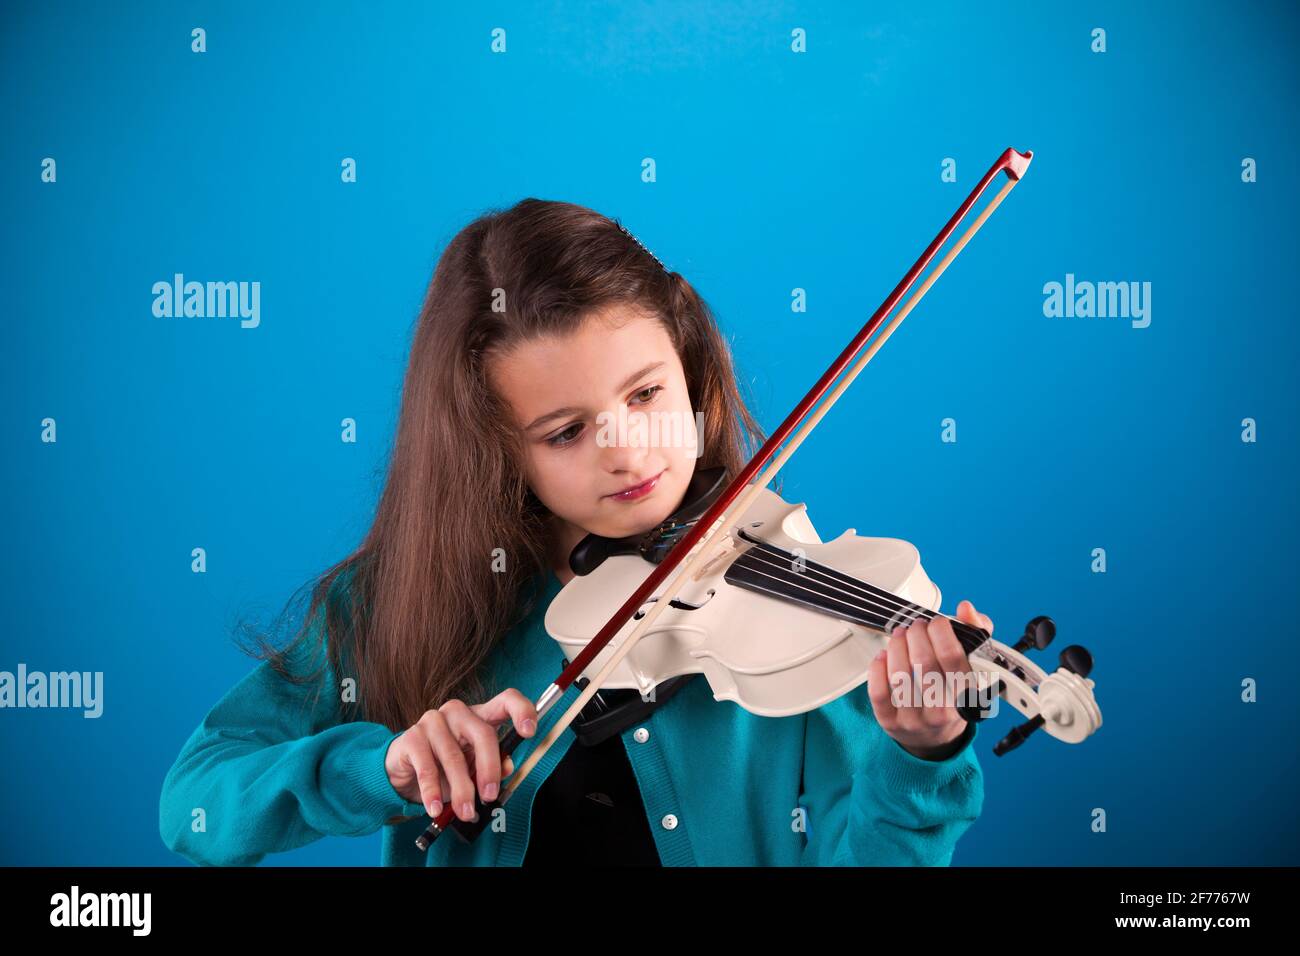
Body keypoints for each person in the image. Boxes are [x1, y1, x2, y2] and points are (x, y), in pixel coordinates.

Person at [158, 199, 994, 867]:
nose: (628, 450)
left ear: (692, 372)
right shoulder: (404, 600)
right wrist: (382, 769)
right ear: (494, 449)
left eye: (646, 395)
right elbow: (194, 803)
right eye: (564, 431)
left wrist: (919, 757)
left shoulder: (804, 608)